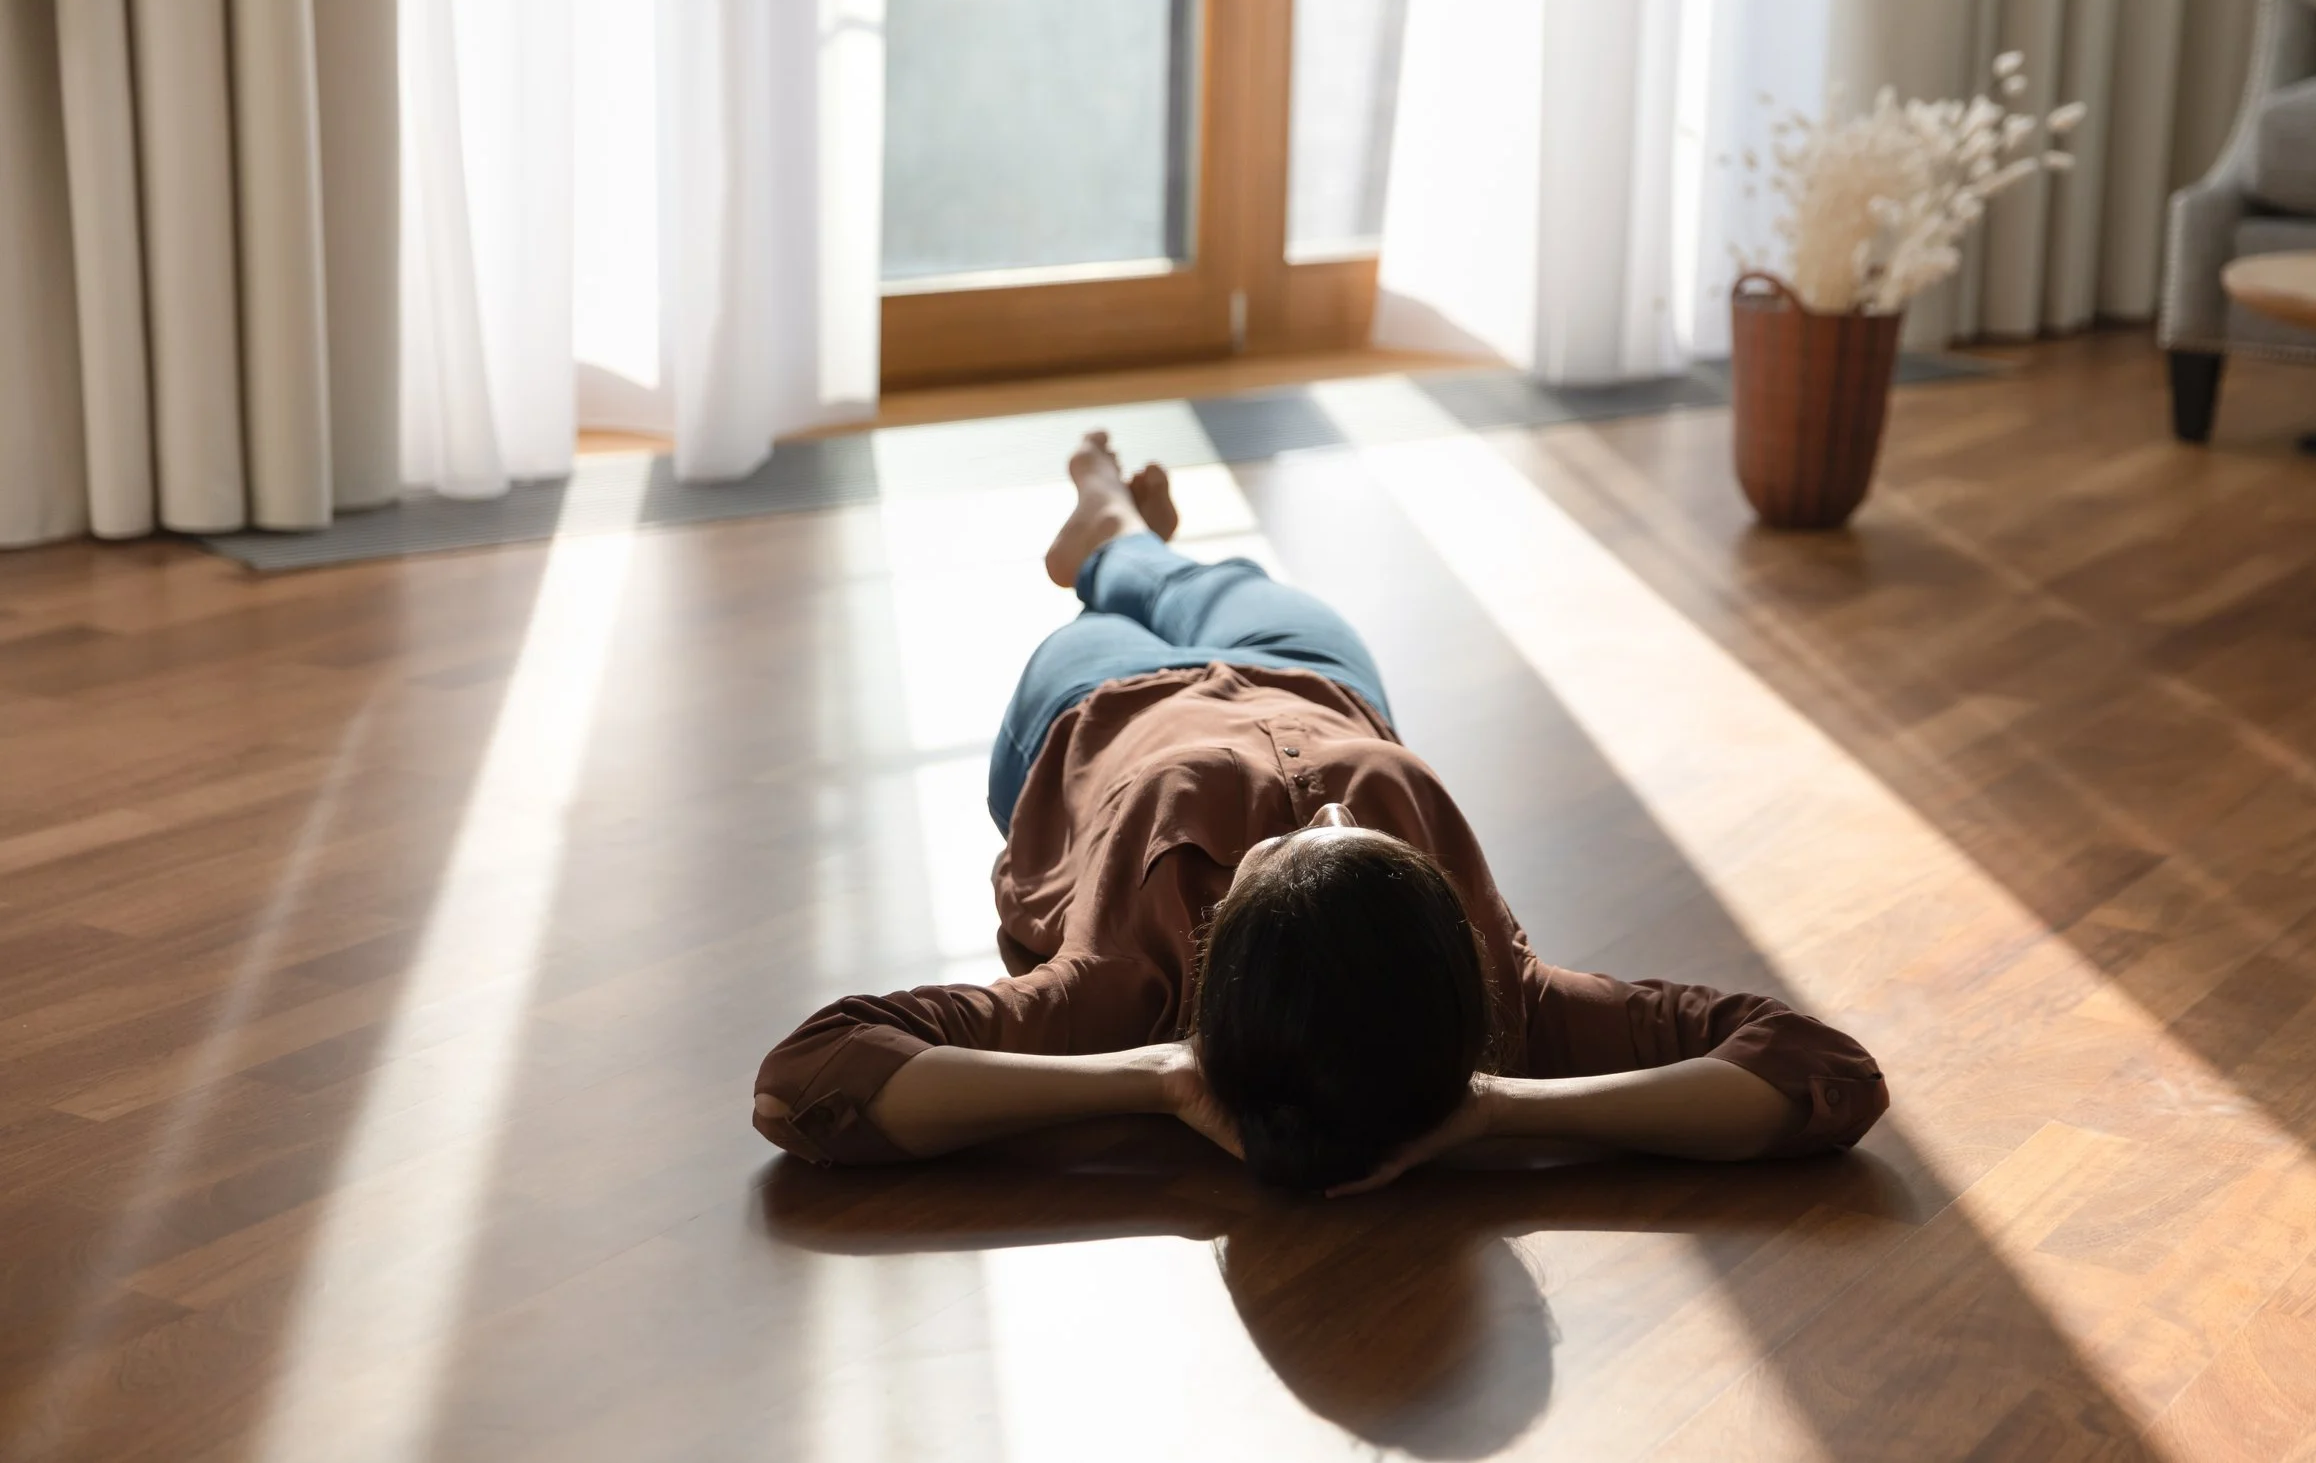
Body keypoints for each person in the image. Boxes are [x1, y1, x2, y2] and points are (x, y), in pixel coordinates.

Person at [753, 434, 1887, 1194]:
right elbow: (1818, 1068)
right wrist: (1496, 1103)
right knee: (1229, 585)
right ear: (1444, 930)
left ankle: (1111, 545)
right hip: (1314, 677)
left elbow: (809, 1075)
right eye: (1366, 836)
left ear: (1216, 947)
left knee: (1127, 607)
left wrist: (1151, 1073)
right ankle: (1120, 537)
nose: (1325, 801)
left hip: (1096, 708)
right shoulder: (1500, 999)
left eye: (1289, 845)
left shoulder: (1118, 993)